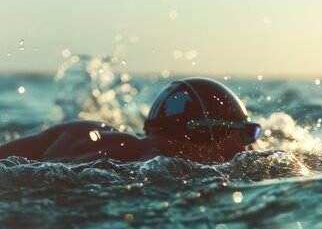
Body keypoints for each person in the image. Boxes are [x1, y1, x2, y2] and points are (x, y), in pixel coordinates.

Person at [0, 77, 261, 164]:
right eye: (250, 133)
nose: (253, 145)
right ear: (206, 133)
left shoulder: (80, 130)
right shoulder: (152, 173)